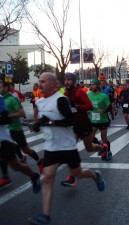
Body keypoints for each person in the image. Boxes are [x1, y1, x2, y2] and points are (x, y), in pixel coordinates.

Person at [28, 73, 105, 225]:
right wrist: (37, 124)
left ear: (52, 84)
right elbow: (43, 121)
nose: (40, 84)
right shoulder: (40, 101)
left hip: (67, 146)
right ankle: (45, 216)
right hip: (51, 146)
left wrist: (49, 122)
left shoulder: (61, 99)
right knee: (48, 177)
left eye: (43, 82)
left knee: (77, 173)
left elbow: (70, 120)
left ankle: (95, 175)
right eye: (39, 82)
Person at [61, 73, 108, 187]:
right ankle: (72, 177)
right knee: (70, 148)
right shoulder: (66, 93)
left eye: (69, 80)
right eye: (65, 80)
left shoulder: (80, 92)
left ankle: (103, 148)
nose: (66, 82)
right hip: (74, 125)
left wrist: (77, 106)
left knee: (89, 148)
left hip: (84, 124)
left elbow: (90, 107)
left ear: (73, 81)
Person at [0, 86, 41, 193]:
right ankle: (5, 176)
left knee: (21, 157)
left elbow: (20, 114)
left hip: (12, 132)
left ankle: (36, 168)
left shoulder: (8, 99)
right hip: (9, 132)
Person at [88, 79, 112, 160]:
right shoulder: (89, 95)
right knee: (90, 138)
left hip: (103, 120)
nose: (91, 86)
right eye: (90, 85)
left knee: (104, 138)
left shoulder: (104, 96)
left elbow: (109, 106)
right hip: (93, 120)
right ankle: (100, 147)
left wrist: (103, 110)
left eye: (93, 85)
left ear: (97, 86)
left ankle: (108, 152)